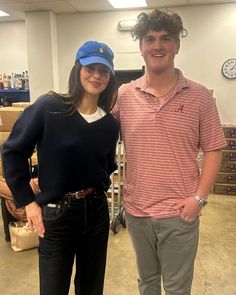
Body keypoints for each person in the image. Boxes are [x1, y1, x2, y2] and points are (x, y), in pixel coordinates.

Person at [112, 9, 226, 295]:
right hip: (137, 212)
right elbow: (97, 133)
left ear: (177, 44)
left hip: (179, 213)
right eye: (150, 39)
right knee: (147, 283)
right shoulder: (125, 95)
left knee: (177, 288)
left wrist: (198, 199)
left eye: (165, 38)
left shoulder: (199, 96)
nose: (157, 45)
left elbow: (213, 149)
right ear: (140, 47)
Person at [2, 40, 119, 295]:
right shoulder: (50, 107)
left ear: (110, 76)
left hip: (97, 213)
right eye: (90, 68)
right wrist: (29, 202)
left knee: (91, 288)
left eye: (104, 70)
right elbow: (12, 152)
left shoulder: (110, 124)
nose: (97, 75)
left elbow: (108, 165)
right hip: (56, 215)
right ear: (77, 70)